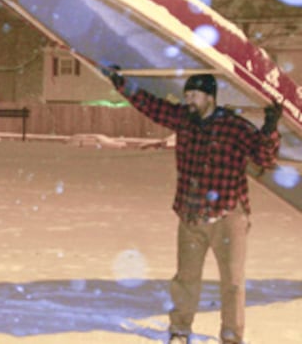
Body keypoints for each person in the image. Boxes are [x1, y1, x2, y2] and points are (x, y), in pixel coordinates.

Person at [106, 69, 281, 344]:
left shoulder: (234, 126)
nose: (189, 100)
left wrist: (270, 128)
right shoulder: (184, 120)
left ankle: (231, 336)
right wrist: (121, 84)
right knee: (185, 279)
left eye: (194, 94)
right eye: (187, 94)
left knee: (232, 282)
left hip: (228, 214)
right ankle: (180, 329)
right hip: (190, 214)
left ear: (210, 97)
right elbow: (151, 106)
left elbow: (264, 158)